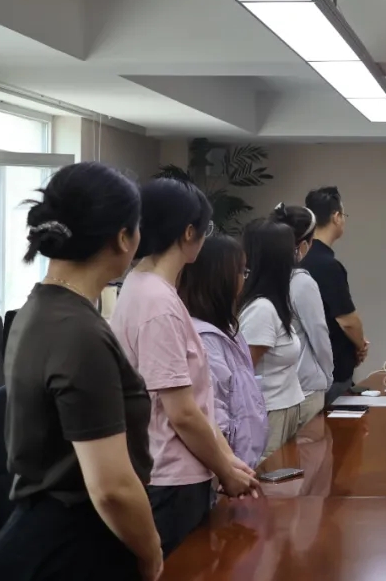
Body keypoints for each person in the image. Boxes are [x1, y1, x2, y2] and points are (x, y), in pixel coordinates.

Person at [0, 163, 163, 581]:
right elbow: (111, 488)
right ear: (123, 238)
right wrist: (151, 552)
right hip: (71, 551)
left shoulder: (40, 308)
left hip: (44, 539)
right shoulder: (78, 333)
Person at [111, 178, 258, 558]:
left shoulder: (145, 287)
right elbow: (182, 412)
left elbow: (195, 402)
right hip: (171, 478)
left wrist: (228, 460)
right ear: (189, 232)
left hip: (178, 471)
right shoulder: (156, 302)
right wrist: (224, 470)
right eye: (205, 230)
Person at [177, 234, 268, 470]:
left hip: (241, 460)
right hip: (223, 466)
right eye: (241, 272)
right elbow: (213, 412)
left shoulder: (227, 330)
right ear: (222, 277)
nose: (244, 279)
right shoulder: (204, 339)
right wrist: (226, 468)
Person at [239, 219, 305, 459]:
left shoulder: (275, 305)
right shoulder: (262, 310)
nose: (297, 256)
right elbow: (244, 373)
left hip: (286, 408)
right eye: (292, 251)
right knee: (273, 480)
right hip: (270, 413)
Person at [269, 203, 335, 427]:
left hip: (278, 392)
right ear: (304, 246)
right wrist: (327, 377)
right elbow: (319, 334)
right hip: (306, 389)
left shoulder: (259, 278)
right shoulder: (301, 282)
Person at [303, 186, 368, 403]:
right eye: (344, 215)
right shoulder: (328, 266)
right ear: (336, 217)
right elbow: (347, 321)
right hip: (332, 373)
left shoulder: (300, 257)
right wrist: (360, 345)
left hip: (307, 370)